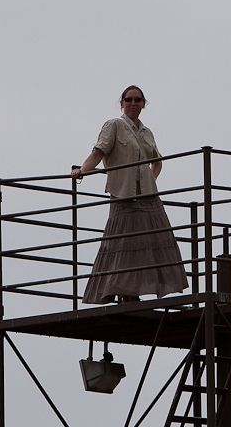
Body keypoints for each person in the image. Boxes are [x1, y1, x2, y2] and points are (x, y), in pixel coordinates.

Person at [71, 85, 188, 304]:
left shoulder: (147, 132)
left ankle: (133, 292)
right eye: (129, 99)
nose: (133, 103)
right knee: (120, 244)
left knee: (152, 242)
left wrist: (149, 181)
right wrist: (81, 171)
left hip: (148, 196)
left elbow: (157, 161)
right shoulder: (114, 125)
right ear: (122, 103)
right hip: (123, 194)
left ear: (144, 103)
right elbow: (98, 153)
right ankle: (114, 291)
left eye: (137, 100)